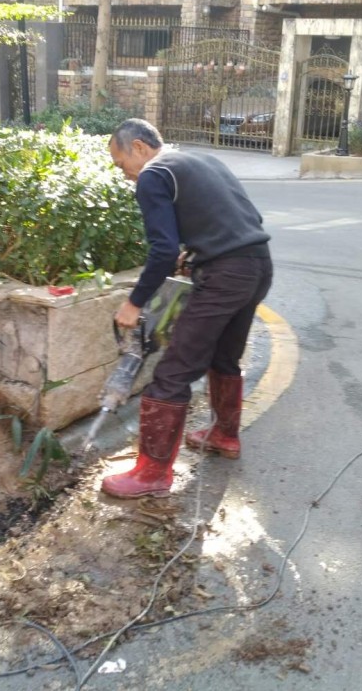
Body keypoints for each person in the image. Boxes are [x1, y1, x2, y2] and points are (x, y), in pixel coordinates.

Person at [103, 118, 273, 498]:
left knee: (172, 371)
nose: (125, 174)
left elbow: (162, 249)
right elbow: (244, 221)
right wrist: (195, 254)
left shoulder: (153, 174)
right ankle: (224, 435)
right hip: (258, 265)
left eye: (121, 164)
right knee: (224, 357)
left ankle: (151, 474)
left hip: (225, 276)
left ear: (139, 148)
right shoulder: (201, 160)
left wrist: (134, 303)